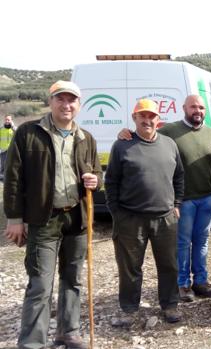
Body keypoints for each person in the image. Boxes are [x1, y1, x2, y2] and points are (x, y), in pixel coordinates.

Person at [3, 81, 102, 349]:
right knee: (40, 285)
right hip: (42, 219)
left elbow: (96, 173)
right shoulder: (28, 133)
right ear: (51, 102)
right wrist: (14, 219)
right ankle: (32, 342)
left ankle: (68, 332)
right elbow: (13, 178)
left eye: (72, 100)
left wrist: (95, 180)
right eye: (61, 99)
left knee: (73, 280)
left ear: (79, 105)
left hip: (76, 219)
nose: (66, 105)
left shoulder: (86, 138)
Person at [118, 95, 211, 301]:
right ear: (184, 108)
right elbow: (146, 135)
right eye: (193, 107)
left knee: (201, 241)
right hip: (183, 200)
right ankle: (182, 284)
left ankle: (201, 281)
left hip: (208, 199)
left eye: (201, 107)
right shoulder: (170, 131)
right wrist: (126, 133)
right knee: (183, 242)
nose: (198, 111)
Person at [106, 99, 185, 326]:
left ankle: (170, 305)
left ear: (158, 119)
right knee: (130, 267)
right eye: (142, 116)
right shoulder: (122, 145)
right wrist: (116, 213)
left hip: (165, 219)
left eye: (152, 116)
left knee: (169, 265)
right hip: (131, 219)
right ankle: (129, 310)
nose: (147, 120)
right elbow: (111, 181)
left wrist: (177, 204)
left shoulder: (169, 144)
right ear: (134, 118)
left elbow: (179, 175)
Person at [0, 114, 17, 179]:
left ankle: (11, 178)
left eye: (8, 120)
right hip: (3, 150)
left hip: (12, 150)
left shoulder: (14, 129)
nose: (7, 121)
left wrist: (12, 126)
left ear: (11, 120)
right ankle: (2, 179)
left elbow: (18, 133)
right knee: (3, 166)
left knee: (12, 165)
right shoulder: (1, 129)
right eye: (6, 119)